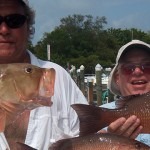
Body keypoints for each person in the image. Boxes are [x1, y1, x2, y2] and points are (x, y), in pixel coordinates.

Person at [0, 0, 88, 149]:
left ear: (28, 27)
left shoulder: (59, 77)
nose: (4, 29)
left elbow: (87, 138)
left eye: (14, 21)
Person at [101, 39, 150, 146]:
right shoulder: (98, 118)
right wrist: (107, 144)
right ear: (117, 78)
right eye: (129, 67)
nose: (137, 72)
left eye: (147, 66)